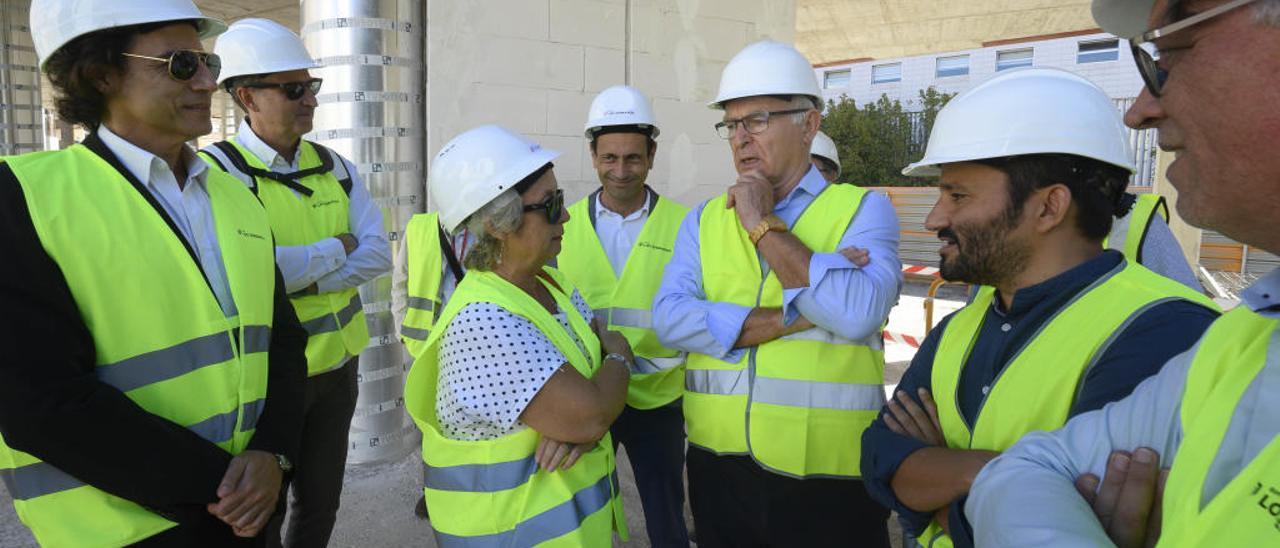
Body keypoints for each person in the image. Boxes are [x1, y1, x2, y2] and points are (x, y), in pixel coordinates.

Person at [859, 67, 1219, 548]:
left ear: (1049, 207)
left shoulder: (1168, 333)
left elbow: (1070, 525)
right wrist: (1016, 477)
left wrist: (939, 478)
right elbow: (881, 457)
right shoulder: (962, 325)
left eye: (957, 195)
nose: (933, 218)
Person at [966, 1, 1280, 545]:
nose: (1139, 110)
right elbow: (1022, 469)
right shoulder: (1246, 338)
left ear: (1050, 205)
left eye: (1169, 53)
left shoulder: (1173, 325)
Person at [0, 1, 307, 545]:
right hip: (126, 528)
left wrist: (272, 452)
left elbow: (281, 339)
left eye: (207, 63)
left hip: (248, 512)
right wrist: (223, 485)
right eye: (182, 65)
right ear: (101, 74)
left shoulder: (236, 198)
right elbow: (38, 401)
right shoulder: (24, 198)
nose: (209, 82)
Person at [653, 40, 903, 547]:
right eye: (731, 124)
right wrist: (804, 311)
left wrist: (761, 225)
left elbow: (855, 316)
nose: (740, 138)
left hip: (830, 475)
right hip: (718, 469)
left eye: (758, 120)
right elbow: (670, 320)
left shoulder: (863, 210)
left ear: (809, 125)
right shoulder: (702, 220)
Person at [198, 18, 391, 547]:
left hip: (338, 369)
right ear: (246, 97)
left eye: (311, 87)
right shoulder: (214, 177)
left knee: (320, 505)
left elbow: (376, 254)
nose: (309, 99)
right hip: (266, 379)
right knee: (261, 512)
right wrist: (335, 250)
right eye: (293, 89)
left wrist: (294, 277)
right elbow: (240, 276)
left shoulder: (337, 169)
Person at [403, 125, 631, 546]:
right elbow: (594, 406)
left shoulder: (553, 283)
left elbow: (588, 409)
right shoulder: (483, 323)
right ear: (498, 222)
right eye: (552, 204)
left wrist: (582, 423)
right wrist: (619, 359)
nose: (566, 215)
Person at [556, 85, 692, 547]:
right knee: (587, 507)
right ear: (593, 156)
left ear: (652, 156)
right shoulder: (563, 226)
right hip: (589, 391)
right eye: (609, 158)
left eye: (632, 158)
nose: (620, 171)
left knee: (664, 509)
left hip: (658, 398)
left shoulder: (684, 225)